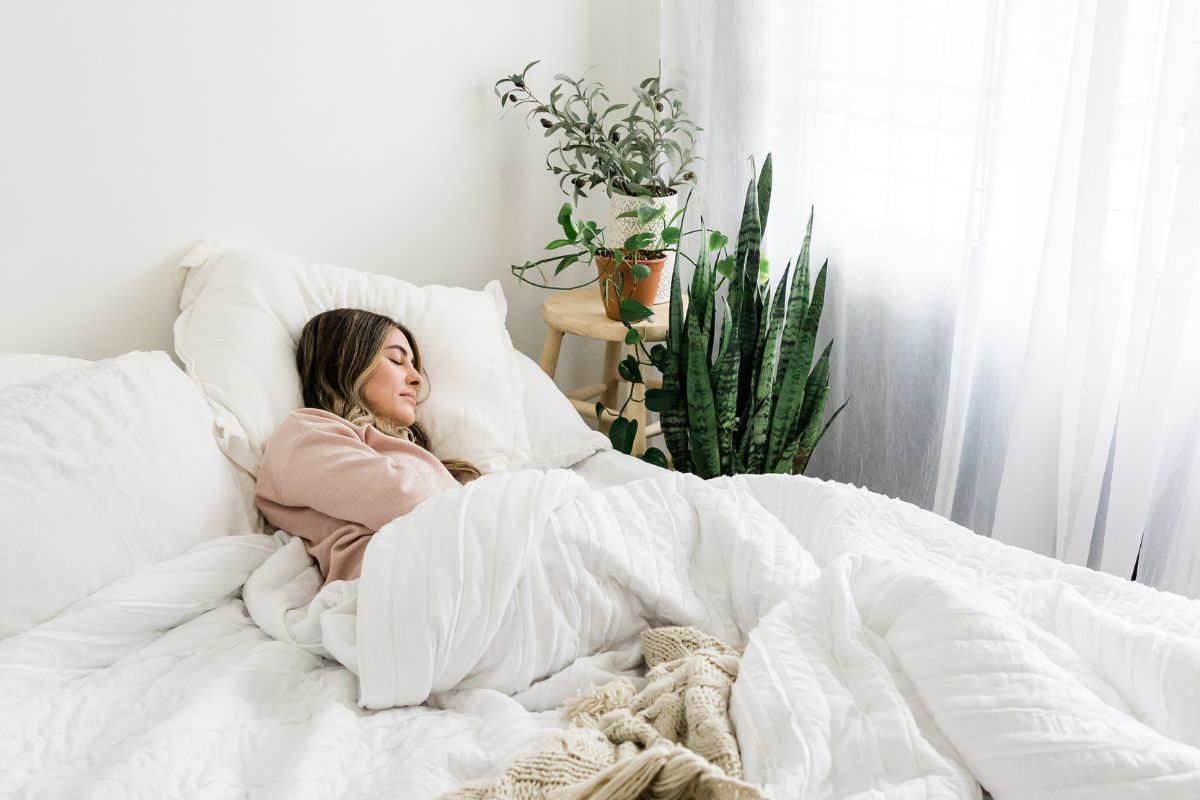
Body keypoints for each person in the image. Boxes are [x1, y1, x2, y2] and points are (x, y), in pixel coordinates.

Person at [256, 308, 480, 584]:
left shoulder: (409, 455)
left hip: (460, 566)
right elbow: (406, 500)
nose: (417, 379)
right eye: (397, 360)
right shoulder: (305, 435)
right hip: (414, 578)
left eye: (413, 365)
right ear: (346, 363)